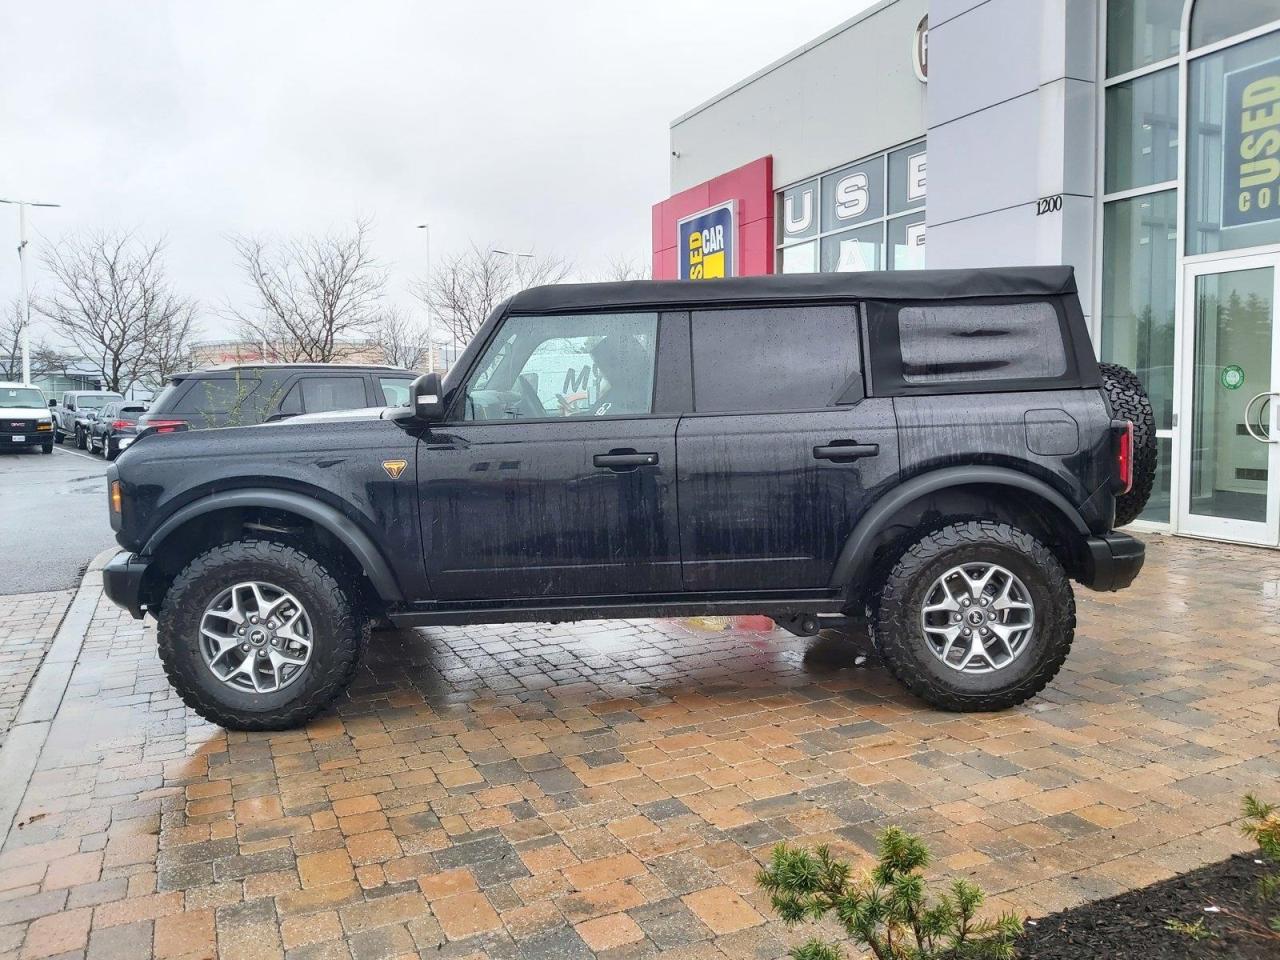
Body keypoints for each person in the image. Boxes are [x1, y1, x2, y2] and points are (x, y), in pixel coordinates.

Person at [585, 335, 650, 416]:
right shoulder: (618, 391)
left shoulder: (631, 400)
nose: (600, 373)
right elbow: (592, 415)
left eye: (601, 366)